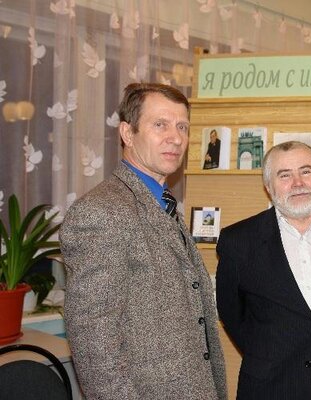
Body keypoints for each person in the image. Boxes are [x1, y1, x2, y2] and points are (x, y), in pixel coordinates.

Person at [60, 83, 227, 399]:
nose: (175, 137)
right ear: (127, 133)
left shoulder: (162, 202)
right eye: (160, 124)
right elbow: (95, 341)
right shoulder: (101, 211)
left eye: (182, 127)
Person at [215, 141, 311, 399]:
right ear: (268, 187)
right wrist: (268, 352)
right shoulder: (238, 241)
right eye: (285, 175)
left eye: (306, 171)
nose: (298, 183)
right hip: (270, 386)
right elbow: (231, 312)